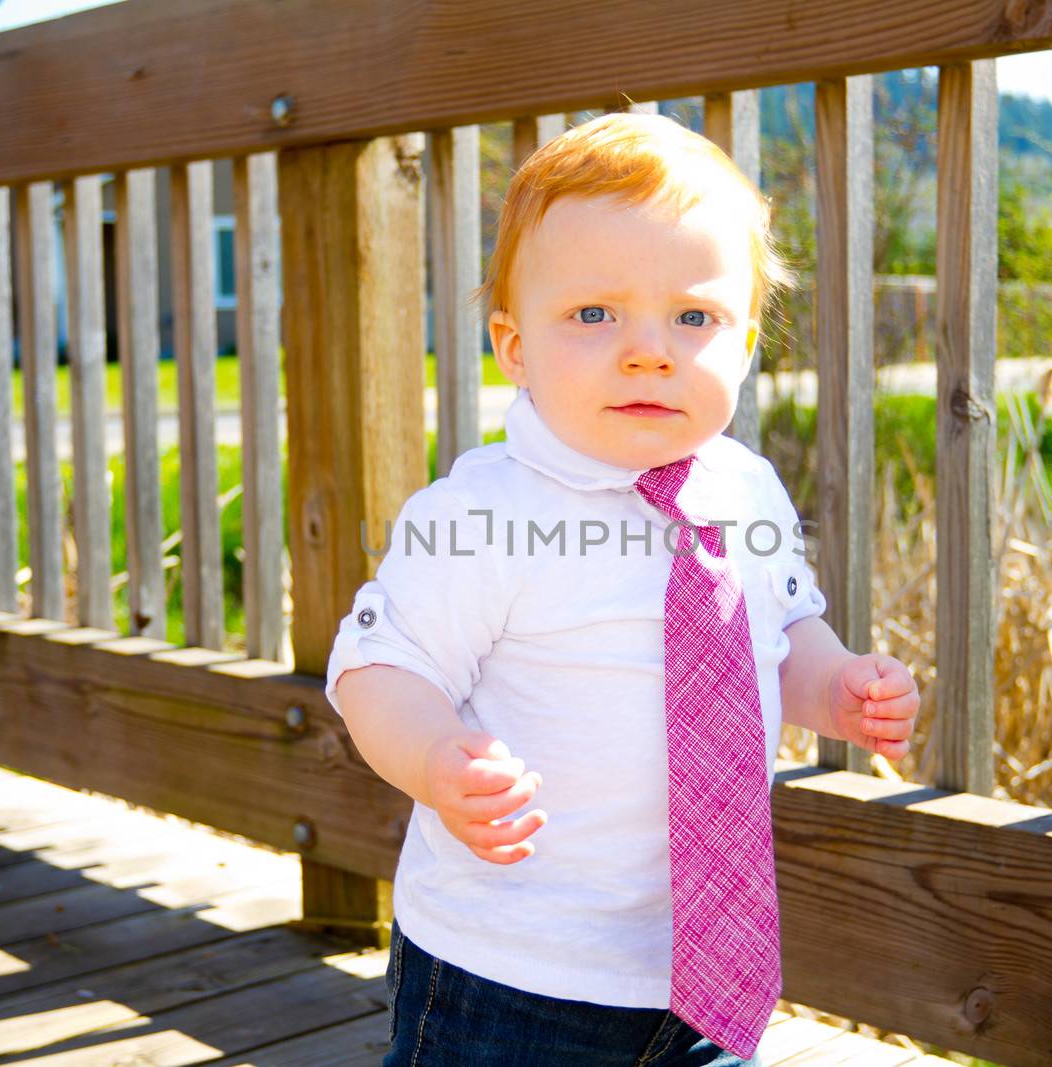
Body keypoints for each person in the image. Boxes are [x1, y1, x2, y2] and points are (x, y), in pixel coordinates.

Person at [325, 110, 919, 1067]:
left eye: (694, 317)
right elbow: (376, 667)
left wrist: (837, 683)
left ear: (747, 339)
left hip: (704, 975)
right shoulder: (483, 510)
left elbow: (779, 631)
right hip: (512, 976)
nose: (650, 349)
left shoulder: (744, 486)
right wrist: (438, 758)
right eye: (595, 314)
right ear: (514, 346)